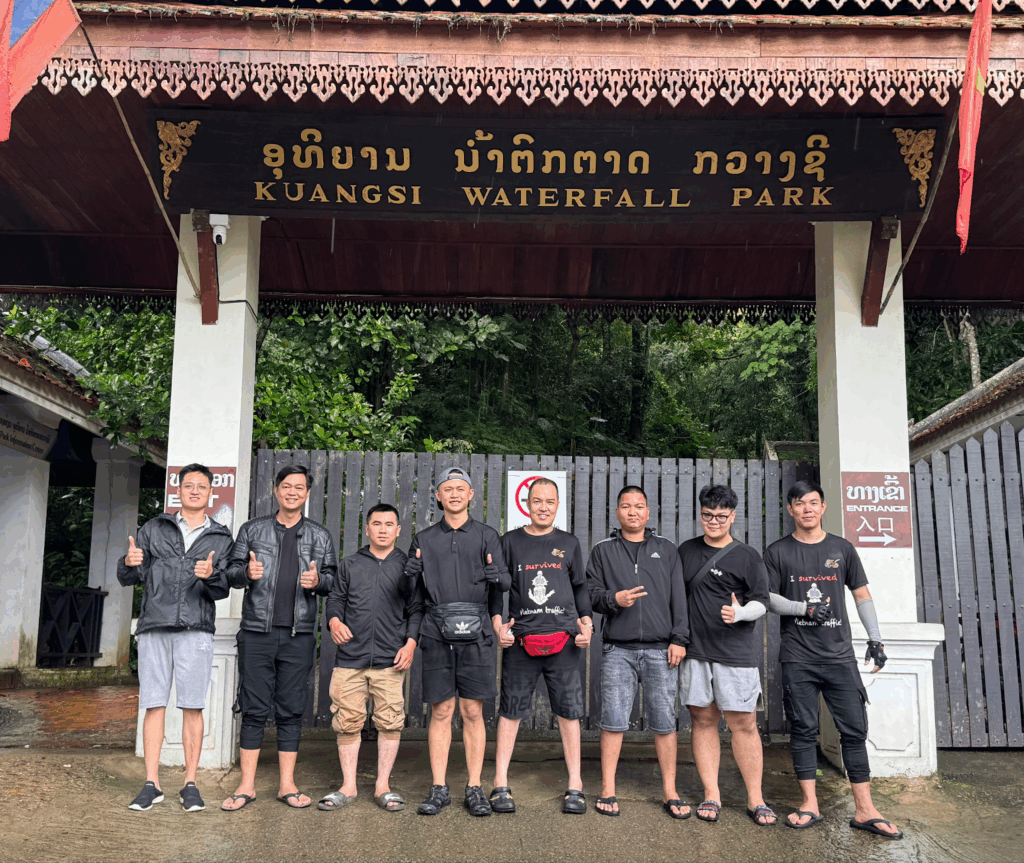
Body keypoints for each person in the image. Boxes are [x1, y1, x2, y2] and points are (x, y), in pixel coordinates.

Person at [765, 479, 902, 840]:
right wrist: (804, 608)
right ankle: (809, 804)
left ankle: (866, 810)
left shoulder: (842, 548)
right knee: (803, 731)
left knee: (854, 731)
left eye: (813, 502)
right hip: (798, 657)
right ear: (790, 509)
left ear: (823, 507)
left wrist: (875, 638)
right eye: (799, 503)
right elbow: (768, 598)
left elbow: (861, 594)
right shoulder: (778, 551)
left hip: (840, 657)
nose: (807, 509)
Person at [118, 463, 234, 812]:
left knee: (192, 706)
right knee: (153, 704)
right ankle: (151, 783)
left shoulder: (221, 537)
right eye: (189, 485)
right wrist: (128, 562)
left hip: (196, 629)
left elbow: (223, 588)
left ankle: (190, 784)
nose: (195, 491)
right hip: (155, 625)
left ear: (211, 492)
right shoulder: (154, 528)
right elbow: (130, 575)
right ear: (178, 491)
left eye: (202, 486)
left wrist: (211, 575)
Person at [221, 464, 338, 811]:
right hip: (257, 632)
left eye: (299, 487)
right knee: (254, 708)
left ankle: (287, 784)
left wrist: (318, 582)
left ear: (307, 493)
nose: (292, 492)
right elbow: (230, 572)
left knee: (291, 709)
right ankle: (246, 786)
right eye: (286, 486)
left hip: (298, 635)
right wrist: (246, 572)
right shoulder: (252, 530)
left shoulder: (319, 536)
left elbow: (333, 581)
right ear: (276, 490)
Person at [404, 466, 510, 817]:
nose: (453, 494)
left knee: (472, 711)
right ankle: (439, 787)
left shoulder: (487, 535)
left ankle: (475, 787)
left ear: (470, 495)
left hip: (477, 631)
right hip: (436, 630)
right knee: (441, 710)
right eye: (447, 489)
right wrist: (409, 578)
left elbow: (504, 584)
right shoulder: (423, 539)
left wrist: (498, 580)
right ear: (438, 495)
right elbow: (411, 594)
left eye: (460, 488)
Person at [488, 478, 594, 816]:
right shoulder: (510, 542)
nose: (543, 507)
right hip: (521, 640)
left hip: (564, 640)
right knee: (510, 712)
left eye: (550, 501)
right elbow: (497, 589)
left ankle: (575, 785)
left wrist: (587, 623)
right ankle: (500, 783)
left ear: (557, 505)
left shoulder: (569, 543)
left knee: (569, 713)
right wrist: (498, 625)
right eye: (537, 501)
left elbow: (580, 587)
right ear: (527, 504)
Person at [586, 485, 689, 819]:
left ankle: (670, 790)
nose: (633, 511)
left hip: (662, 650)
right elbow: (589, 593)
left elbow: (679, 597)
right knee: (613, 721)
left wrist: (679, 639)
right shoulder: (603, 550)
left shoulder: (666, 549)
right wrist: (613, 599)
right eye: (626, 506)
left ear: (648, 512)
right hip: (618, 649)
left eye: (639, 506)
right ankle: (607, 788)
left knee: (665, 723)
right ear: (617, 512)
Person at [677, 485, 774, 826]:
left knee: (743, 724)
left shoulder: (747, 556)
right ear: (700, 514)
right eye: (708, 515)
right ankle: (711, 794)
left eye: (721, 516)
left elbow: (762, 601)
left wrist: (743, 612)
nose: (714, 521)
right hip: (695, 651)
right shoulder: (686, 551)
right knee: (703, 720)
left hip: (735, 653)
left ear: (733, 516)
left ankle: (755, 798)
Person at [318, 503, 422, 813]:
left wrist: (410, 644)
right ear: (367, 529)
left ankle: (382, 786)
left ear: (398, 530)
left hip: (391, 659)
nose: (383, 530)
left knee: (390, 722)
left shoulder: (408, 567)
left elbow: (417, 609)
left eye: (389, 524)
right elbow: (335, 599)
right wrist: (334, 621)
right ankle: (348, 786)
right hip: (350, 657)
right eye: (377, 524)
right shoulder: (350, 564)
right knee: (347, 722)